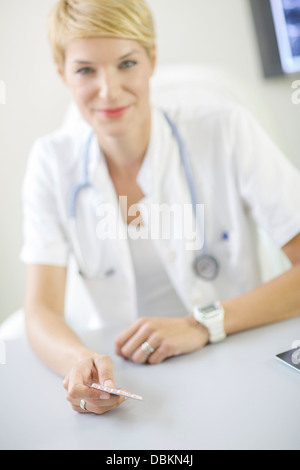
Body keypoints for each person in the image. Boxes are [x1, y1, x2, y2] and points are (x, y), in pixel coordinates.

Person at [21, 0, 300, 415]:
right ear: (62, 73)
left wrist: (202, 323)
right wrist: (77, 361)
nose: (109, 90)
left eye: (127, 63)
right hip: (134, 387)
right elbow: (40, 309)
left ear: (152, 58)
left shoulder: (226, 130)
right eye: (85, 70)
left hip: (240, 356)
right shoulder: (50, 162)